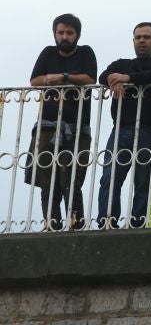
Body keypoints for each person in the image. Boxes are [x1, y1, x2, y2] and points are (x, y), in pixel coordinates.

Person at [98, 22, 151, 229]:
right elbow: (104, 75)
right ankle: (107, 222)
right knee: (109, 177)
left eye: (146, 37)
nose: (141, 41)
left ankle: (138, 223)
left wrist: (129, 78)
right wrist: (115, 79)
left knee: (144, 181)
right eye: (137, 37)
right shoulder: (122, 63)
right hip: (121, 128)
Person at [27, 13, 97, 230]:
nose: (64, 37)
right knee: (47, 182)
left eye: (69, 32)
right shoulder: (48, 53)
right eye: (61, 32)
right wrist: (50, 78)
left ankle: (76, 226)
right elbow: (35, 81)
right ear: (55, 34)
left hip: (77, 127)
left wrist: (64, 77)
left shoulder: (86, 52)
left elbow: (90, 79)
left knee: (72, 180)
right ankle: (52, 225)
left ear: (77, 35)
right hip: (47, 124)